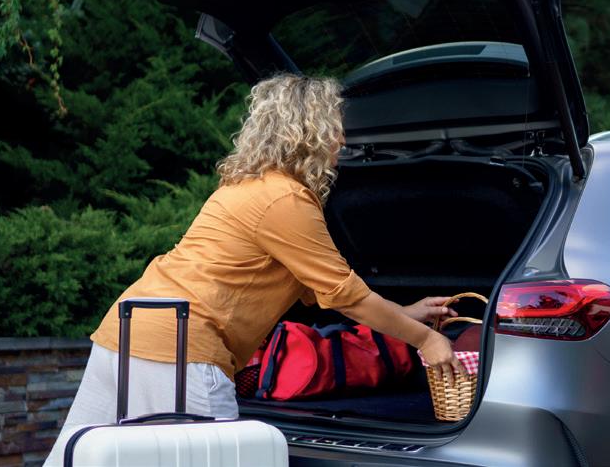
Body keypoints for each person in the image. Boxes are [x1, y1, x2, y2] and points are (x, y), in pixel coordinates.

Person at [46, 74, 463, 465]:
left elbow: (324, 292)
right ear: (311, 132)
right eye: (335, 126)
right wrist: (426, 339)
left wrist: (404, 314)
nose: (341, 138)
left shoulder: (246, 187)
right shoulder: (285, 200)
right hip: (182, 349)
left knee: (75, 459)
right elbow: (343, 294)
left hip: (127, 331)